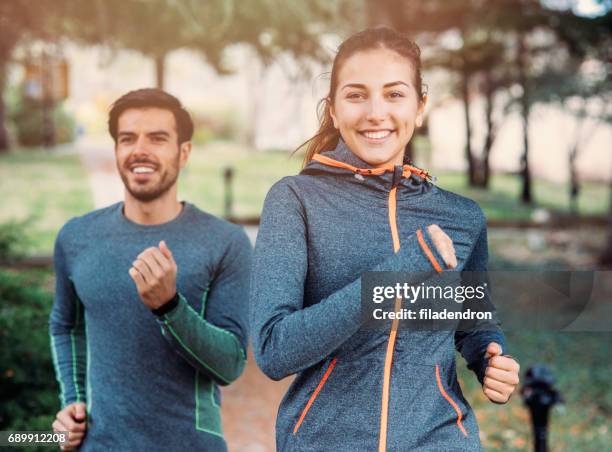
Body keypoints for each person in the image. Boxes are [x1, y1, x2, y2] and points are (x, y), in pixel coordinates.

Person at [250, 27, 520, 451]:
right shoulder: (295, 200)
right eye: (357, 95)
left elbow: (474, 323)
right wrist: (400, 271)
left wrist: (491, 356)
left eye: (394, 94)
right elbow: (274, 350)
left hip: (442, 439)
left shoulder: (462, 217)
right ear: (333, 110)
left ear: (420, 106)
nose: (376, 112)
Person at [49, 88, 252, 451]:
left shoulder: (225, 242)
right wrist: (73, 401)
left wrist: (169, 307)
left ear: (183, 152)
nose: (140, 149)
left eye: (157, 138)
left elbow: (230, 365)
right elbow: (66, 325)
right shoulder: (77, 237)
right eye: (128, 139)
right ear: (116, 151)